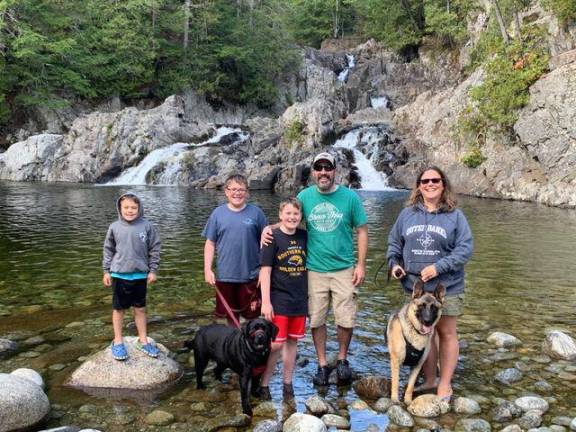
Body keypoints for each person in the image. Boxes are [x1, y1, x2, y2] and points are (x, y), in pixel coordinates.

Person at [263, 152, 368, 386]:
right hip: (314, 269)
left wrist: (361, 264)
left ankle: (341, 359)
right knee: (317, 319)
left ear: (334, 171)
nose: (323, 172)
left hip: (344, 268)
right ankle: (322, 364)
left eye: (327, 167)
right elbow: (289, 219)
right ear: (313, 172)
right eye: (318, 168)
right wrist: (268, 228)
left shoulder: (350, 198)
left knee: (346, 319)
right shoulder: (305, 196)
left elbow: (362, 231)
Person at [386, 166, 473, 401]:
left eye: (435, 180)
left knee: (446, 332)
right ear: (418, 186)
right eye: (425, 181)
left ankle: (444, 384)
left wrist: (438, 267)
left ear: (443, 184)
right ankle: (430, 379)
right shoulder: (407, 214)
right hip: (415, 287)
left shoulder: (455, 215)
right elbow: (394, 244)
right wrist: (394, 265)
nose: (430, 184)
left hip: (447, 286)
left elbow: (465, 249)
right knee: (426, 333)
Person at [258, 197, 308, 400]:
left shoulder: (305, 236)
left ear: (301, 216)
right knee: (276, 344)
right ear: (280, 215)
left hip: (299, 299)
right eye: (287, 213)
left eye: (296, 214)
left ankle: (288, 382)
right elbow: (265, 272)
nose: (292, 217)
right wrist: (266, 301)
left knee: (292, 342)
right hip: (279, 298)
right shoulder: (272, 237)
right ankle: (264, 383)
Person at [103, 192, 161, 360]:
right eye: (126, 207)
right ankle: (118, 341)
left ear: (139, 208)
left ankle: (143, 340)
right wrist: (106, 271)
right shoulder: (114, 227)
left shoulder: (147, 226)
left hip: (140, 275)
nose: (130, 210)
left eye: (133, 207)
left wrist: (153, 270)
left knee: (140, 309)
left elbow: (155, 248)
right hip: (119, 274)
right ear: (120, 209)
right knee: (119, 309)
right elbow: (108, 249)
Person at [203, 174, 267, 326]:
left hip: (251, 276)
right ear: (226, 191)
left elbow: (266, 243)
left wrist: (264, 271)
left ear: (247, 192)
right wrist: (207, 269)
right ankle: (233, 346)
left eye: (241, 190)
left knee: (253, 318)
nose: (237, 193)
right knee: (231, 318)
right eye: (233, 189)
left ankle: (251, 346)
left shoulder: (257, 213)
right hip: (225, 275)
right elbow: (210, 243)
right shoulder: (217, 214)